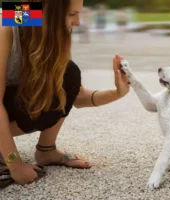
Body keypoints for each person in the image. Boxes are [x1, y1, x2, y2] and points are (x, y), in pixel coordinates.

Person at [0, 0, 129, 187]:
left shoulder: (45, 27)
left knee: (68, 73)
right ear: (50, 12)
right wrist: (15, 164)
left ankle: (46, 150)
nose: (78, 22)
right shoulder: (9, 23)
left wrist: (117, 93)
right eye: (72, 14)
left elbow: (76, 95)